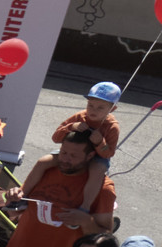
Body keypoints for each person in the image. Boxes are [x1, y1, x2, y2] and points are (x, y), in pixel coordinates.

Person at [0, 136, 118, 247]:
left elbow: (106, 236)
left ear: (90, 156)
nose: (65, 160)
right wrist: (14, 196)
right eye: (63, 153)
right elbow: (21, 202)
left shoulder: (103, 188)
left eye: (73, 156)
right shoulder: (45, 170)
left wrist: (85, 220)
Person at [51, 81, 120, 211]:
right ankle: (24, 193)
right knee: (44, 161)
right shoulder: (80, 116)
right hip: (72, 151)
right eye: (90, 105)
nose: (93, 110)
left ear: (112, 109)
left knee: (97, 170)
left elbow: (109, 153)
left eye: (100, 108)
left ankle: (85, 206)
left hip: (95, 158)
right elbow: (56, 138)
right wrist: (71, 127)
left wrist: (100, 143)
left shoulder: (112, 126)